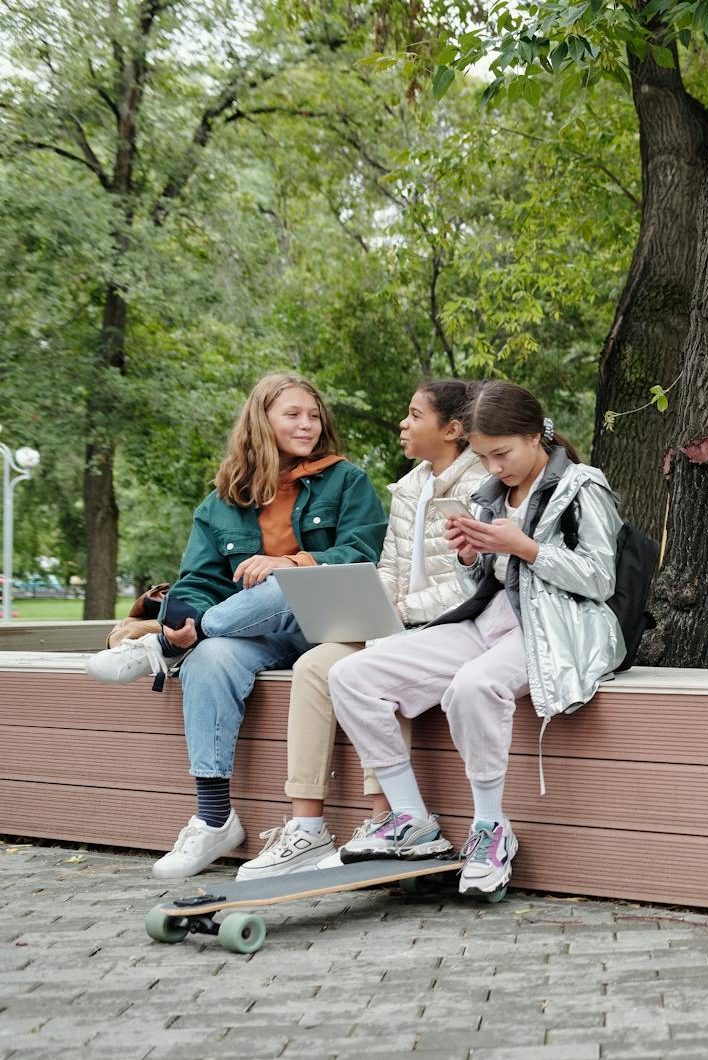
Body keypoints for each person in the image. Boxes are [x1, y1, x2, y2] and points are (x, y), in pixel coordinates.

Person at [328, 381, 624, 897]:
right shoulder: (490, 495)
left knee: (472, 687)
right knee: (351, 676)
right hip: (487, 622)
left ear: (535, 436)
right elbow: (484, 584)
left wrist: (526, 548)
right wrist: (470, 557)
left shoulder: (582, 486)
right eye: (484, 457)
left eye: (502, 454)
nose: (493, 468)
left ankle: (491, 829)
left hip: (554, 630)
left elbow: (601, 580)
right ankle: (412, 820)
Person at [85, 373, 386, 878]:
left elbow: (364, 554)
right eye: (293, 414)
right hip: (257, 630)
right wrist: (185, 616)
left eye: (314, 415)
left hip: (329, 625)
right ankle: (214, 818)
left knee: (279, 584)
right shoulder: (226, 497)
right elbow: (199, 578)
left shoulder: (346, 480)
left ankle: (162, 646)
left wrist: (294, 562)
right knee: (208, 656)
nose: (307, 424)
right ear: (261, 421)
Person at [234, 380, 490, 879]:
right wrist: (379, 605)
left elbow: (471, 587)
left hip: (449, 625)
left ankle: (388, 820)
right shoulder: (410, 485)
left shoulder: (482, 485)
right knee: (313, 665)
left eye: (415, 415)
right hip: (398, 621)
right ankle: (307, 828)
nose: (403, 423)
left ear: (453, 430)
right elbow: (391, 565)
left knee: (373, 666)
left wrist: (398, 614)